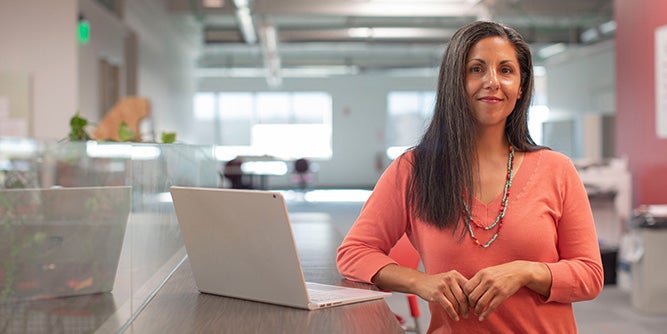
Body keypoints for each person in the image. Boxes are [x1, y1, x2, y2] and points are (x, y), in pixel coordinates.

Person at [336, 21, 603, 333]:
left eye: (506, 70)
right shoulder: (413, 170)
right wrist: (420, 282)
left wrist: (527, 272)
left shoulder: (557, 169)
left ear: (520, 86)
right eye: (476, 69)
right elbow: (353, 253)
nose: (492, 81)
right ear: (455, 81)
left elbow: (590, 275)